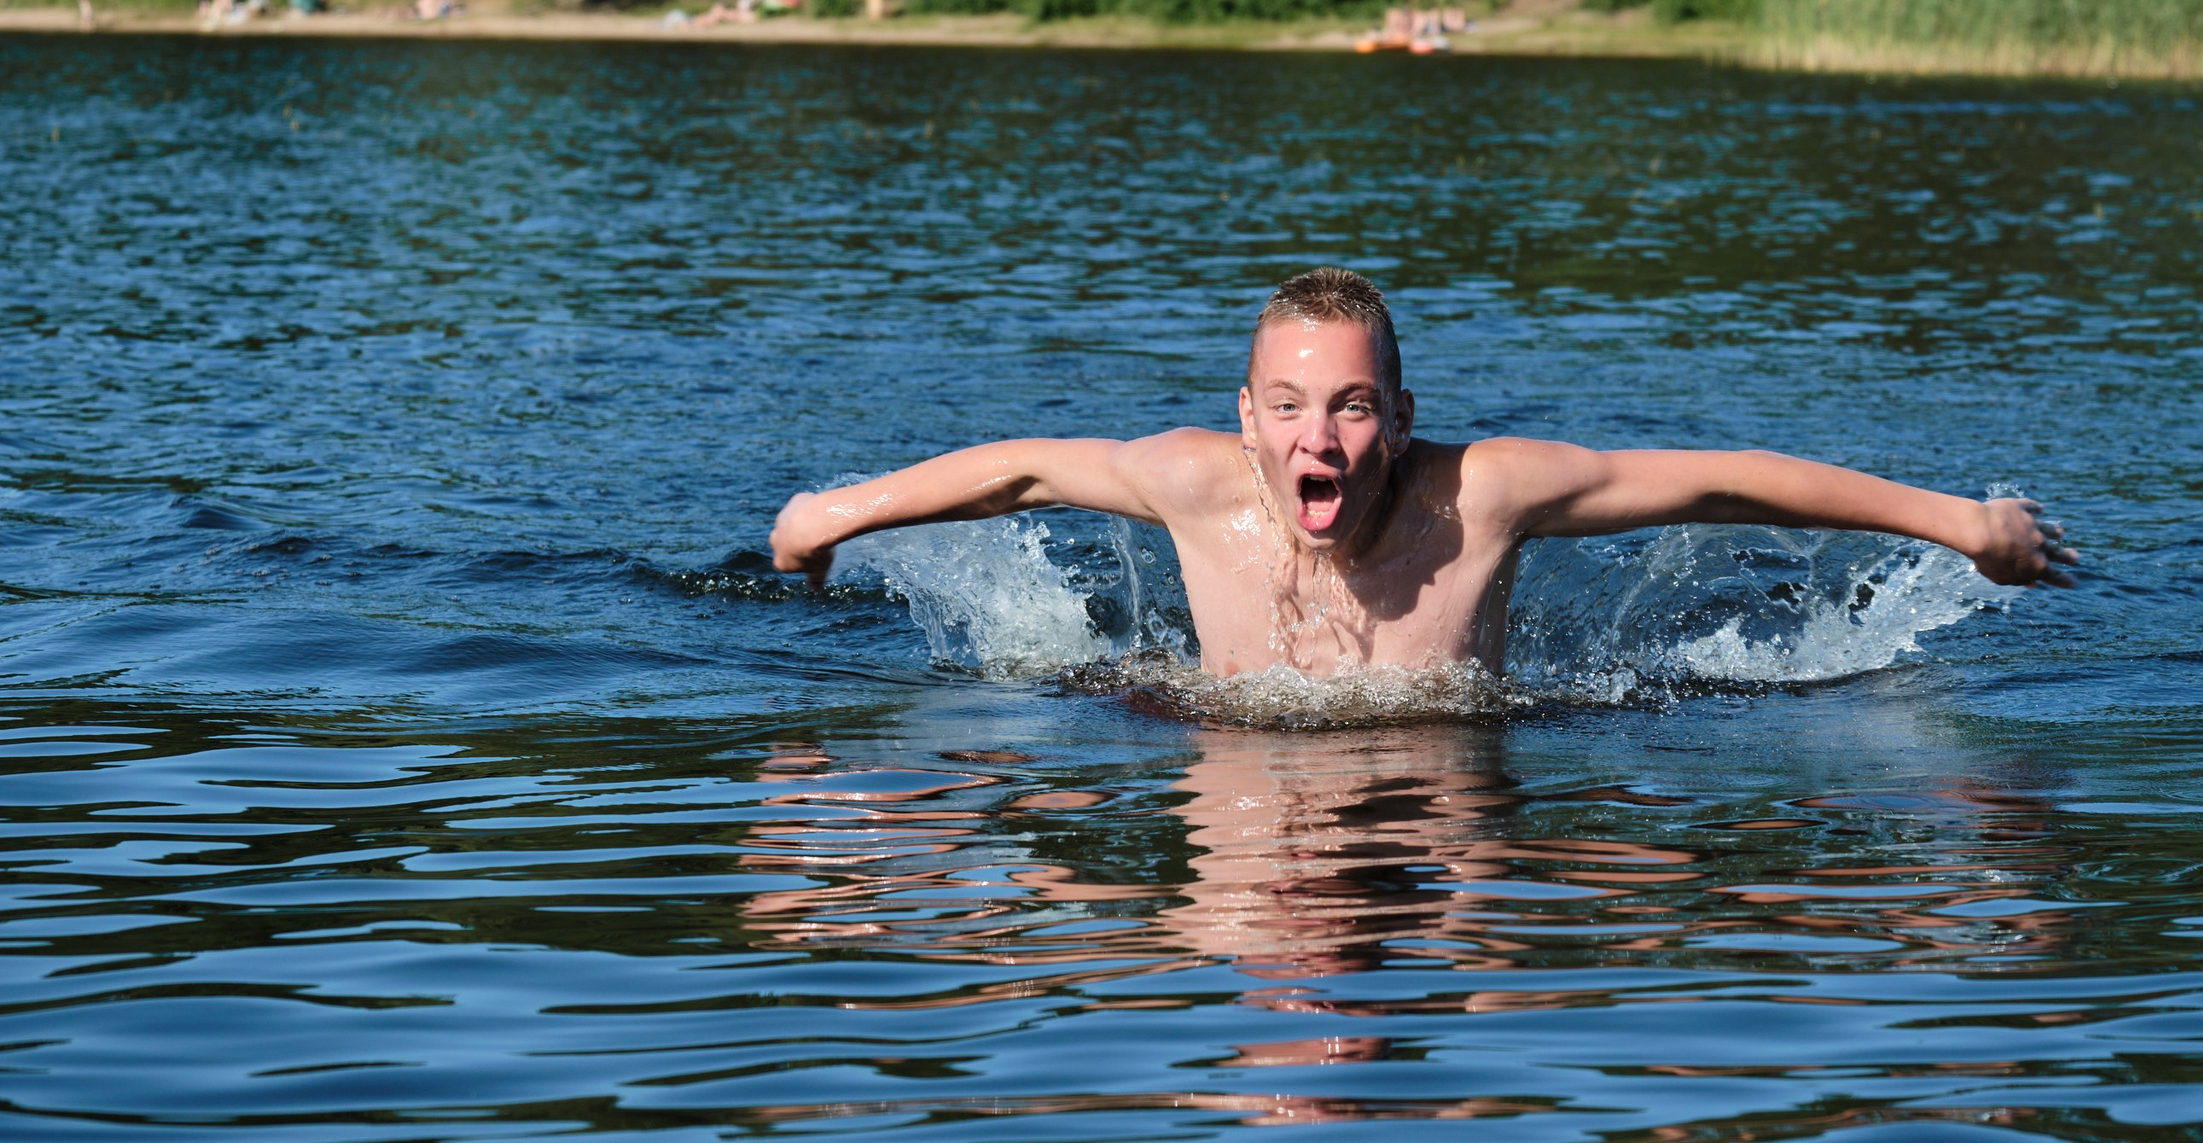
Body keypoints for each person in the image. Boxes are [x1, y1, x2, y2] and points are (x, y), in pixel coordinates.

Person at [770, 268, 2076, 680]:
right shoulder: (1197, 481)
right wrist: (829, 515)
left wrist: (1961, 523)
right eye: (1287, 407)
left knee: (1492, 974)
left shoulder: (1484, 494)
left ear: (1400, 416)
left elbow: (1717, 482)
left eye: (1349, 407)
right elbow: (1017, 475)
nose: (1315, 440)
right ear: (1248, 417)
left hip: (1448, 829)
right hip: (1240, 804)